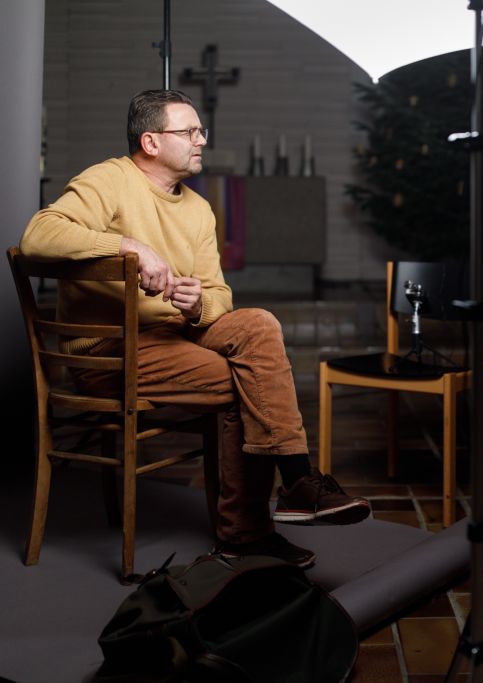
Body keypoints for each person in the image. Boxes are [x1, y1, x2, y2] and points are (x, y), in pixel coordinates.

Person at [20, 89, 371, 569]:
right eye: (188, 132)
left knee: (258, 324)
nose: (202, 140)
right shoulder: (108, 180)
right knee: (243, 385)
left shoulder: (199, 209)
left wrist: (197, 303)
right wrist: (127, 246)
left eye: (200, 130)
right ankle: (246, 534)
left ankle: (297, 484)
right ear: (150, 141)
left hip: (173, 336)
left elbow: (219, 295)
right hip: (110, 352)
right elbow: (38, 236)